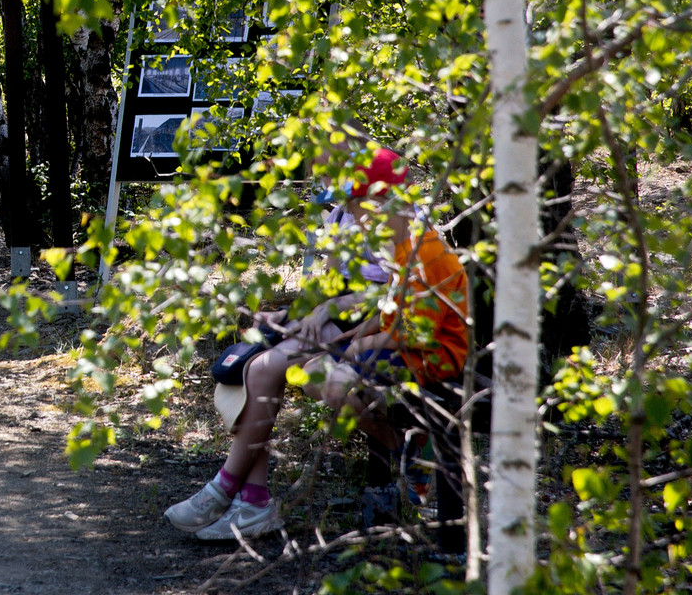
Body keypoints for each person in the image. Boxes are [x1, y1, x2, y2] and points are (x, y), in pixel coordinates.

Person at [165, 146, 469, 543]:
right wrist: (298, 313)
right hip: (369, 332)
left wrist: (348, 330)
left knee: (310, 375)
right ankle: (245, 496)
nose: (328, 190)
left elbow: (398, 312)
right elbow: (343, 286)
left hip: (403, 347)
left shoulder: (408, 236)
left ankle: (233, 491)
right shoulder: (360, 220)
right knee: (258, 366)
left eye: (336, 182)